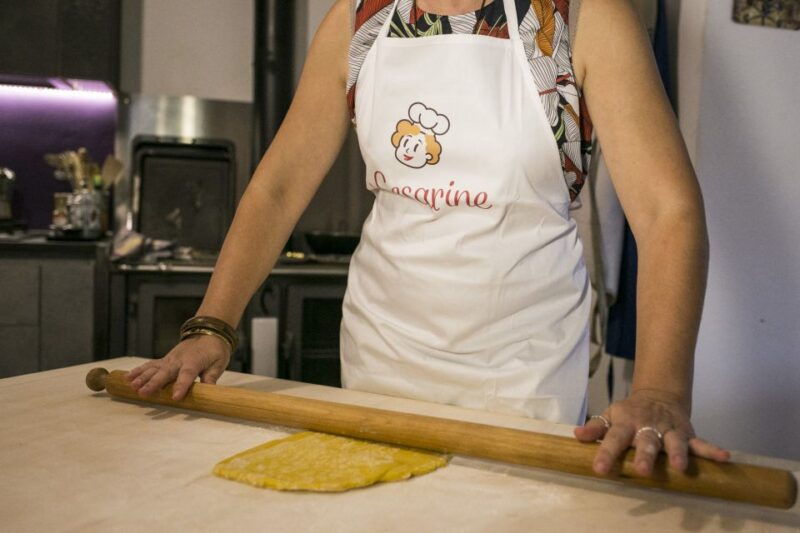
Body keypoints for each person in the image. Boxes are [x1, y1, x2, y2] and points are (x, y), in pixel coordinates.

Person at [127, 0, 731, 478]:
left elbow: (666, 211)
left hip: (523, 377)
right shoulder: (360, 23)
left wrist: (659, 389)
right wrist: (213, 325)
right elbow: (277, 189)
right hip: (382, 362)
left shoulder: (577, 20)